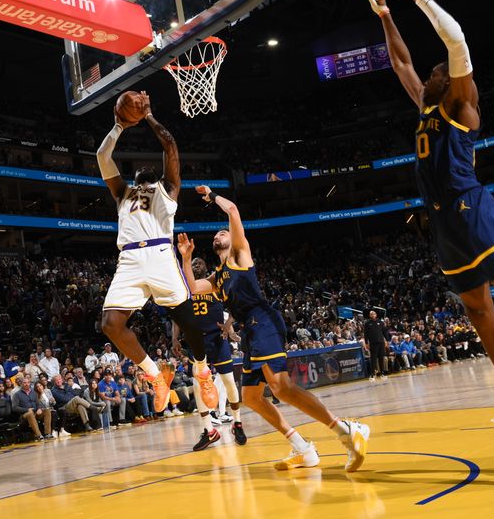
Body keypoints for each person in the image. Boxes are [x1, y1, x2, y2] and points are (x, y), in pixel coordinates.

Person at [365, 0, 494, 453]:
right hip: (443, 222)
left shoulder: (459, 104)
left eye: (440, 73)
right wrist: (386, 16)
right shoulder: (425, 106)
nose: (433, 74)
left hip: (469, 208)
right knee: (478, 310)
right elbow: (401, 64)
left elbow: (456, 43)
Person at [178, 186, 369, 472]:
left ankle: (346, 428)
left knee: (280, 386)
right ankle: (303, 448)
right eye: (217, 234)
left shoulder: (239, 255)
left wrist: (211, 196)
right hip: (250, 330)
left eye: (224, 232)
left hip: (263, 319)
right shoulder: (217, 278)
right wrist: (185, 256)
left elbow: (232, 210)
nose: (220, 233)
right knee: (252, 397)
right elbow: (193, 289)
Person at [95, 92, 217, 414]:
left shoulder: (168, 188)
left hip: (161, 255)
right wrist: (118, 126)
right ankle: (154, 374)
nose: (143, 174)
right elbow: (102, 156)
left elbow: (170, 146)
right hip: (130, 260)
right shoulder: (123, 192)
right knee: (110, 324)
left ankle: (203, 370)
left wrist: (148, 115)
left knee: (189, 321)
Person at [172, 256, 246, 451]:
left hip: (217, 339)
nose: (195, 265)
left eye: (199, 263)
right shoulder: (184, 288)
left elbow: (235, 308)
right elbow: (176, 318)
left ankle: (237, 423)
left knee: (229, 382)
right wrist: (174, 339)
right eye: (193, 263)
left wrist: (229, 325)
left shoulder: (215, 285)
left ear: (206, 268)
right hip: (196, 342)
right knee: (197, 387)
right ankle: (209, 431)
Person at [364, 311, 388, 382]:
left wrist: (387, 340)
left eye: (373, 314)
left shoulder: (380, 322)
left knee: (381, 358)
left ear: (376, 314)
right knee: (373, 359)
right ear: (369, 315)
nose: (372, 315)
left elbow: (384, 332)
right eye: (371, 314)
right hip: (373, 343)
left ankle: (382, 373)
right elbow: (366, 334)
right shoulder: (367, 323)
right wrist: (366, 343)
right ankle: (372, 375)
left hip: (381, 342)